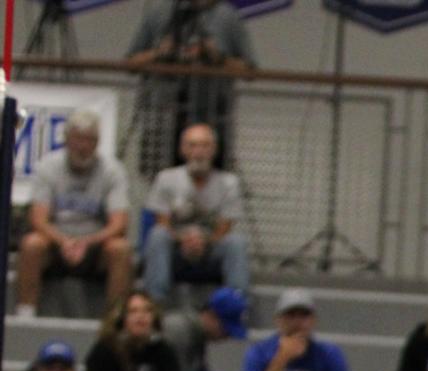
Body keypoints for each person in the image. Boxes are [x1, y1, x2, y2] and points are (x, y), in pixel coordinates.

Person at [17, 111, 132, 318]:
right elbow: (38, 218)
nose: (83, 146)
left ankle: (115, 319)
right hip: (55, 244)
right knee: (31, 244)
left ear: (97, 143)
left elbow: (119, 223)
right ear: (67, 139)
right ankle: (25, 313)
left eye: (89, 140)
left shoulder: (113, 171)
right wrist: (65, 242)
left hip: (95, 247)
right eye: (78, 138)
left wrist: (86, 243)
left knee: (121, 249)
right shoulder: (48, 166)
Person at [126, 0, 255, 173]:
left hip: (212, 121)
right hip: (162, 121)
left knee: (212, 180)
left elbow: (249, 72)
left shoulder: (227, 17)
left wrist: (218, 58)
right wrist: (158, 53)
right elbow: (130, 64)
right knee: (161, 180)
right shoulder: (159, 13)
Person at [140, 122, 249, 300]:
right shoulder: (166, 179)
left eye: (205, 145)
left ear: (214, 150)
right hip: (175, 252)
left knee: (236, 242)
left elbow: (224, 229)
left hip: (210, 252)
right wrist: (185, 240)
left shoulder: (230, 183)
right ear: (182, 149)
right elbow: (163, 223)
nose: (198, 152)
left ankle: (237, 306)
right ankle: (155, 304)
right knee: (157, 235)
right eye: (192, 145)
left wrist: (202, 241)